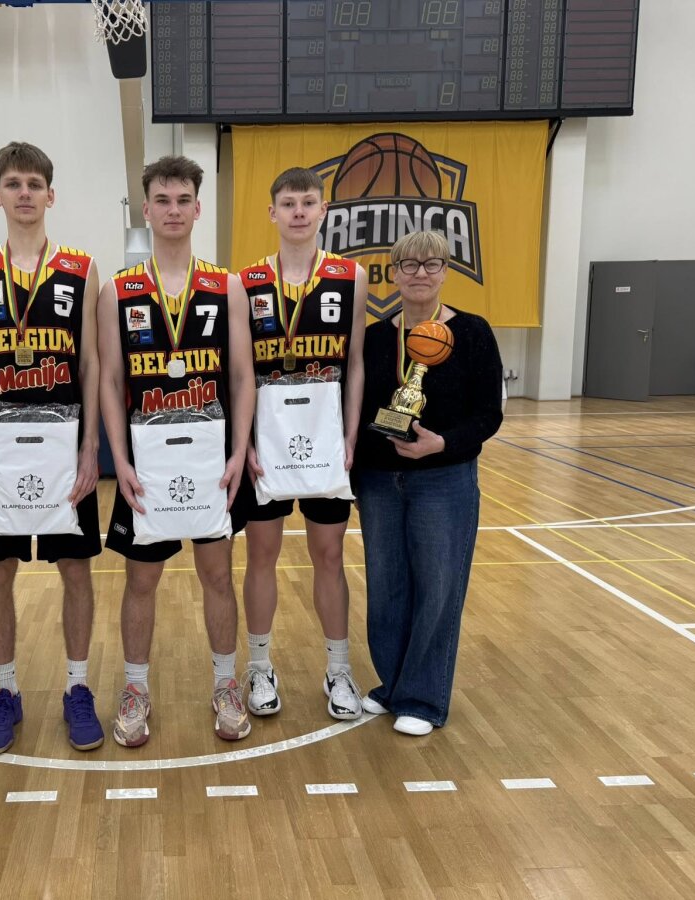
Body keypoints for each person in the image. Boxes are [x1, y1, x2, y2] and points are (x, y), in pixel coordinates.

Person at [99, 155, 256, 747]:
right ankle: (135, 689)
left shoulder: (227, 286)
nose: (172, 210)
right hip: (147, 465)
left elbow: (242, 377)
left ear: (197, 207)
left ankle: (226, 684)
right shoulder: (118, 290)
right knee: (141, 582)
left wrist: (238, 453)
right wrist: (120, 461)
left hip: (211, 462)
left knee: (218, 577)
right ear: (146, 209)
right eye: (162, 200)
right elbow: (111, 381)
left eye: (182, 199)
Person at [0, 142, 104, 755]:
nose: (24, 193)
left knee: (76, 569)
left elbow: (91, 363)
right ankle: (6, 691)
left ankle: (77, 687)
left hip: (63, 447)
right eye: (14, 184)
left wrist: (92, 448)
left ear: (50, 194)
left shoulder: (82, 267)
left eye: (34, 184)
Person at [352, 229, 503, 737]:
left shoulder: (473, 332)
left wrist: (442, 443)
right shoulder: (376, 338)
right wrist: (354, 475)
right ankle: (392, 685)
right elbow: (358, 411)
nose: (420, 273)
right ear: (393, 274)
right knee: (386, 588)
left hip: (444, 479)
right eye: (409, 264)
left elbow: (489, 414)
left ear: (445, 271)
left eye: (431, 263)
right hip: (380, 481)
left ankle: (423, 698)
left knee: (438, 588)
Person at [235, 167, 368, 720]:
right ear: (272, 212)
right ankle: (259, 665)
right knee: (261, 554)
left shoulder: (351, 276)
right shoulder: (244, 282)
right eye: (287, 203)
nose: (297, 212)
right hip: (266, 447)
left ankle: (338, 669)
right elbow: (239, 373)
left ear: (323, 210)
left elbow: (355, 363)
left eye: (307, 202)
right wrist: (243, 443)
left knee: (329, 555)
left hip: (324, 442)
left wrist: (351, 435)